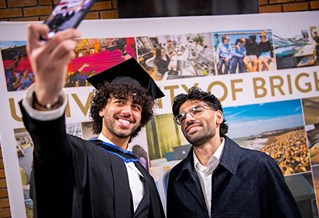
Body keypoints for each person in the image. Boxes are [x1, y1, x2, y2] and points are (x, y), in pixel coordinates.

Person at [19, 24, 165, 218]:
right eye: (120, 102)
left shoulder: (141, 172)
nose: (128, 111)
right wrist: (47, 98)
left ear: (141, 118)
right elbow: (50, 150)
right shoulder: (79, 155)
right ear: (102, 109)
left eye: (136, 107)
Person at [167, 87, 302, 218]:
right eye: (182, 117)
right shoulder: (176, 177)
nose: (188, 119)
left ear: (218, 117)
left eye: (197, 111)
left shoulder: (260, 165)